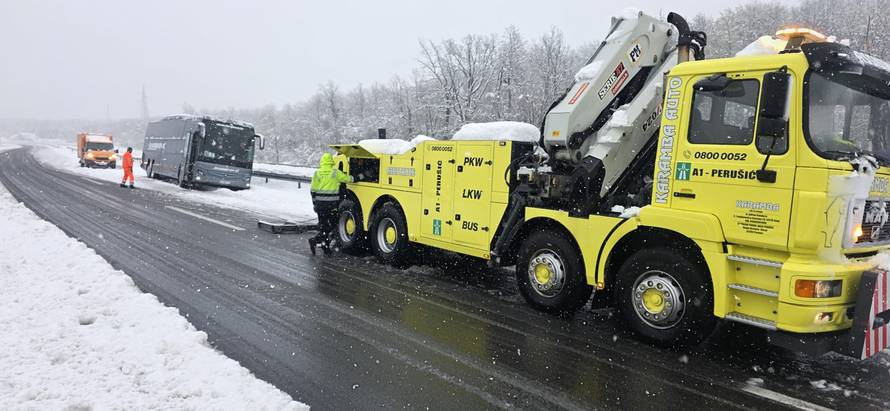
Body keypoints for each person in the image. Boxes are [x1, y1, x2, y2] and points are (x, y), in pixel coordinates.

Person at [309, 152, 353, 255]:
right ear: (331, 162)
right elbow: (348, 179)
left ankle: (322, 244)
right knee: (331, 225)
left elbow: (313, 191)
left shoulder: (317, 173)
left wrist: (315, 204)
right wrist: (360, 176)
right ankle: (319, 242)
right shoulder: (335, 173)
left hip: (320, 206)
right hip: (331, 206)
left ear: (322, 162)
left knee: (324, 225)